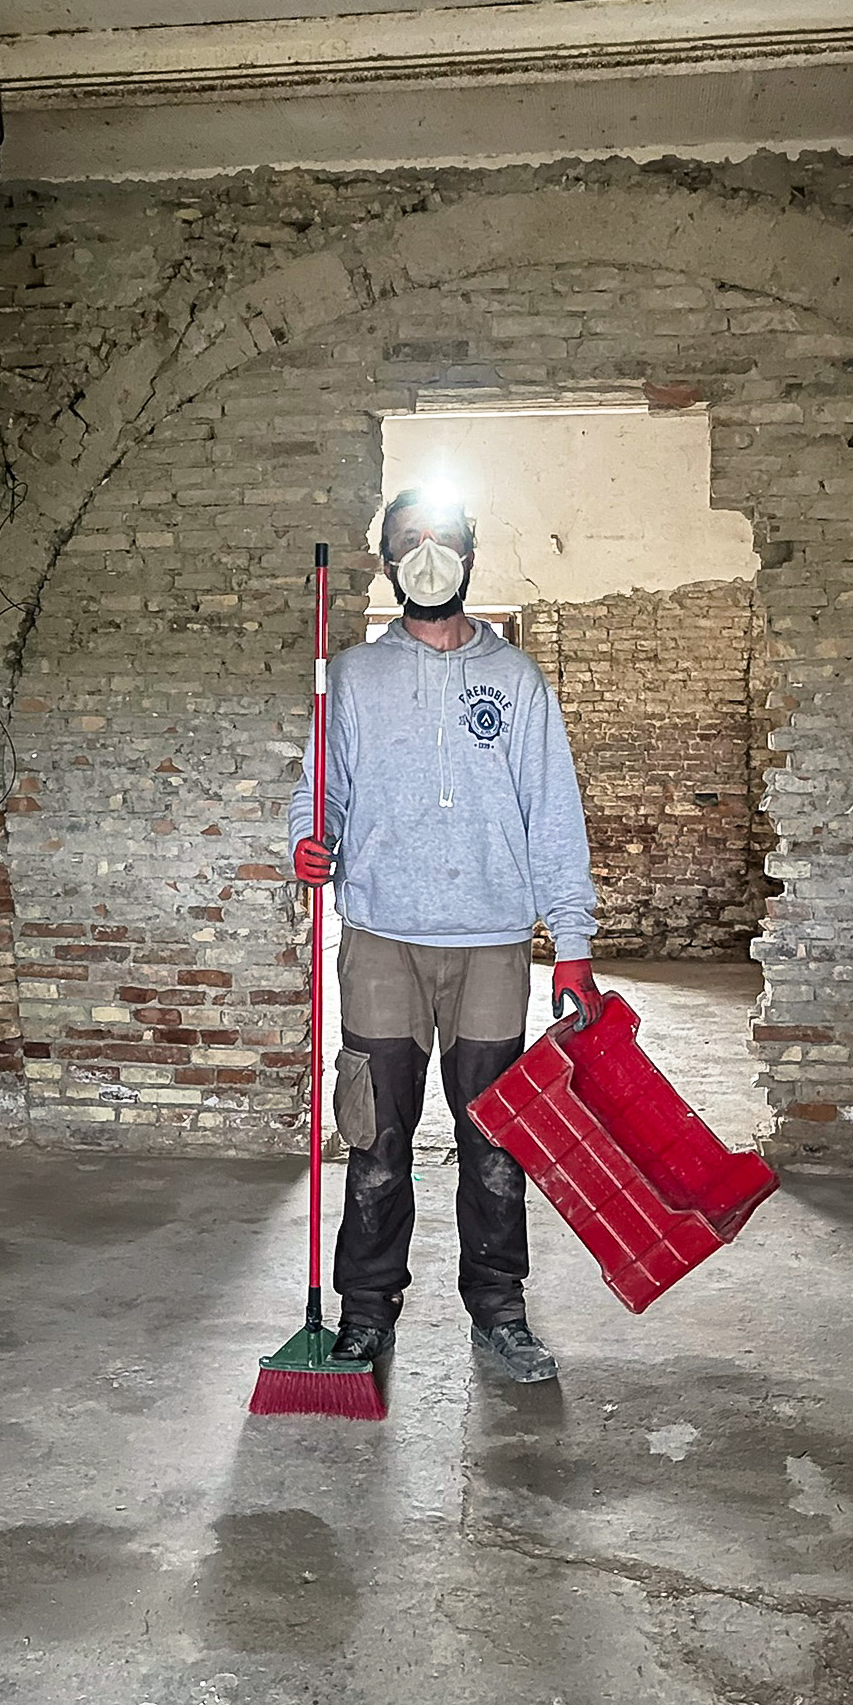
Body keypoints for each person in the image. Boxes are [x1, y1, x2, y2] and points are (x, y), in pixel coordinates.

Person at [288, 488, 603, 1385]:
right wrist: (307, 844)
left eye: (446, 539)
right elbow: (319, 792)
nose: (428, 552)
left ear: (471, 555)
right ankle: (364, 1314)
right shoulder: (349, 677)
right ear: (386, 559)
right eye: (408, 540)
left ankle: (499, 1311)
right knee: (377, 1139)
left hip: (494, 943)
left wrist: (571, 943)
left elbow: (555, 819)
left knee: (496, 1140)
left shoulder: (516, 682)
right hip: (382, 936)